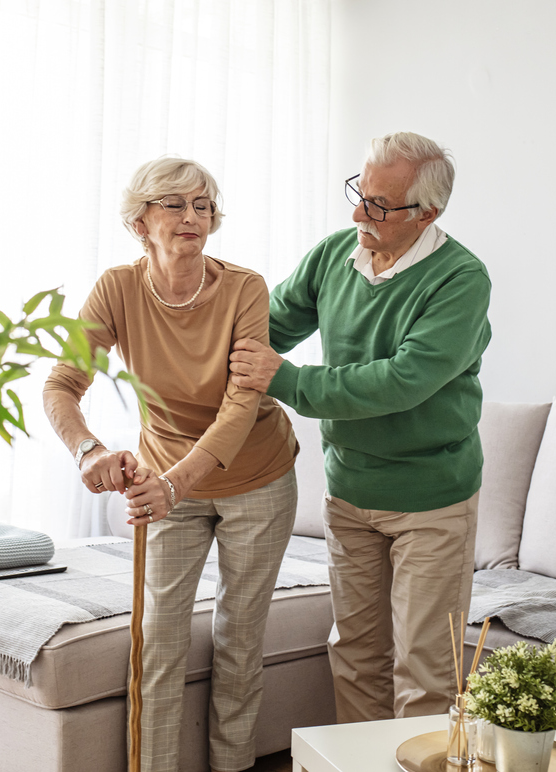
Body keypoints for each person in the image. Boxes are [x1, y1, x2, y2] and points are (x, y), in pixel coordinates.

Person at [43, 157, 298, 772]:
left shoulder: (244, 288)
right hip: (163, 480)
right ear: (140, 222)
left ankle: (232, 767)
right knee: (158, 637)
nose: (192, 217)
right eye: (175, 204)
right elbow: (62, 383)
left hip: (255, 477)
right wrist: (90, 450)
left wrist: (173, 485)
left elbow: (242, 406)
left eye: (203, 205)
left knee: (238, 638)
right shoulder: (117, 288)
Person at [228, 132, 491, 723]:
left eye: (378, 205)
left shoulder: (460, 280)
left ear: (429, 212)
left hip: (431, 501)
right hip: (349, 493)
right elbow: (267, 327)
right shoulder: (333, 255)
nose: (358, 214)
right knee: (354, 655)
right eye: (359, 194)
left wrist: (289, 382)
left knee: (425, 671)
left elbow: (402, 382)